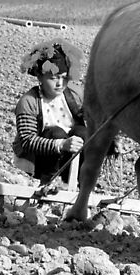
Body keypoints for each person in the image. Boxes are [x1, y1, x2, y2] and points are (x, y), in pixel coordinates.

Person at [12, 38, 86, 186]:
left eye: (64, 78)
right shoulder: (29, 101)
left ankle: (81, 182)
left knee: (83, 132)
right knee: (56, 132)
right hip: (42, 156)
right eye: (53, 78)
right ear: (40, 77)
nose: (60, 84)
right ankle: (49, 182)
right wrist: (61, 144)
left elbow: (96, 117)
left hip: (73, 153)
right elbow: (28, 140)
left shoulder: (76, 94)